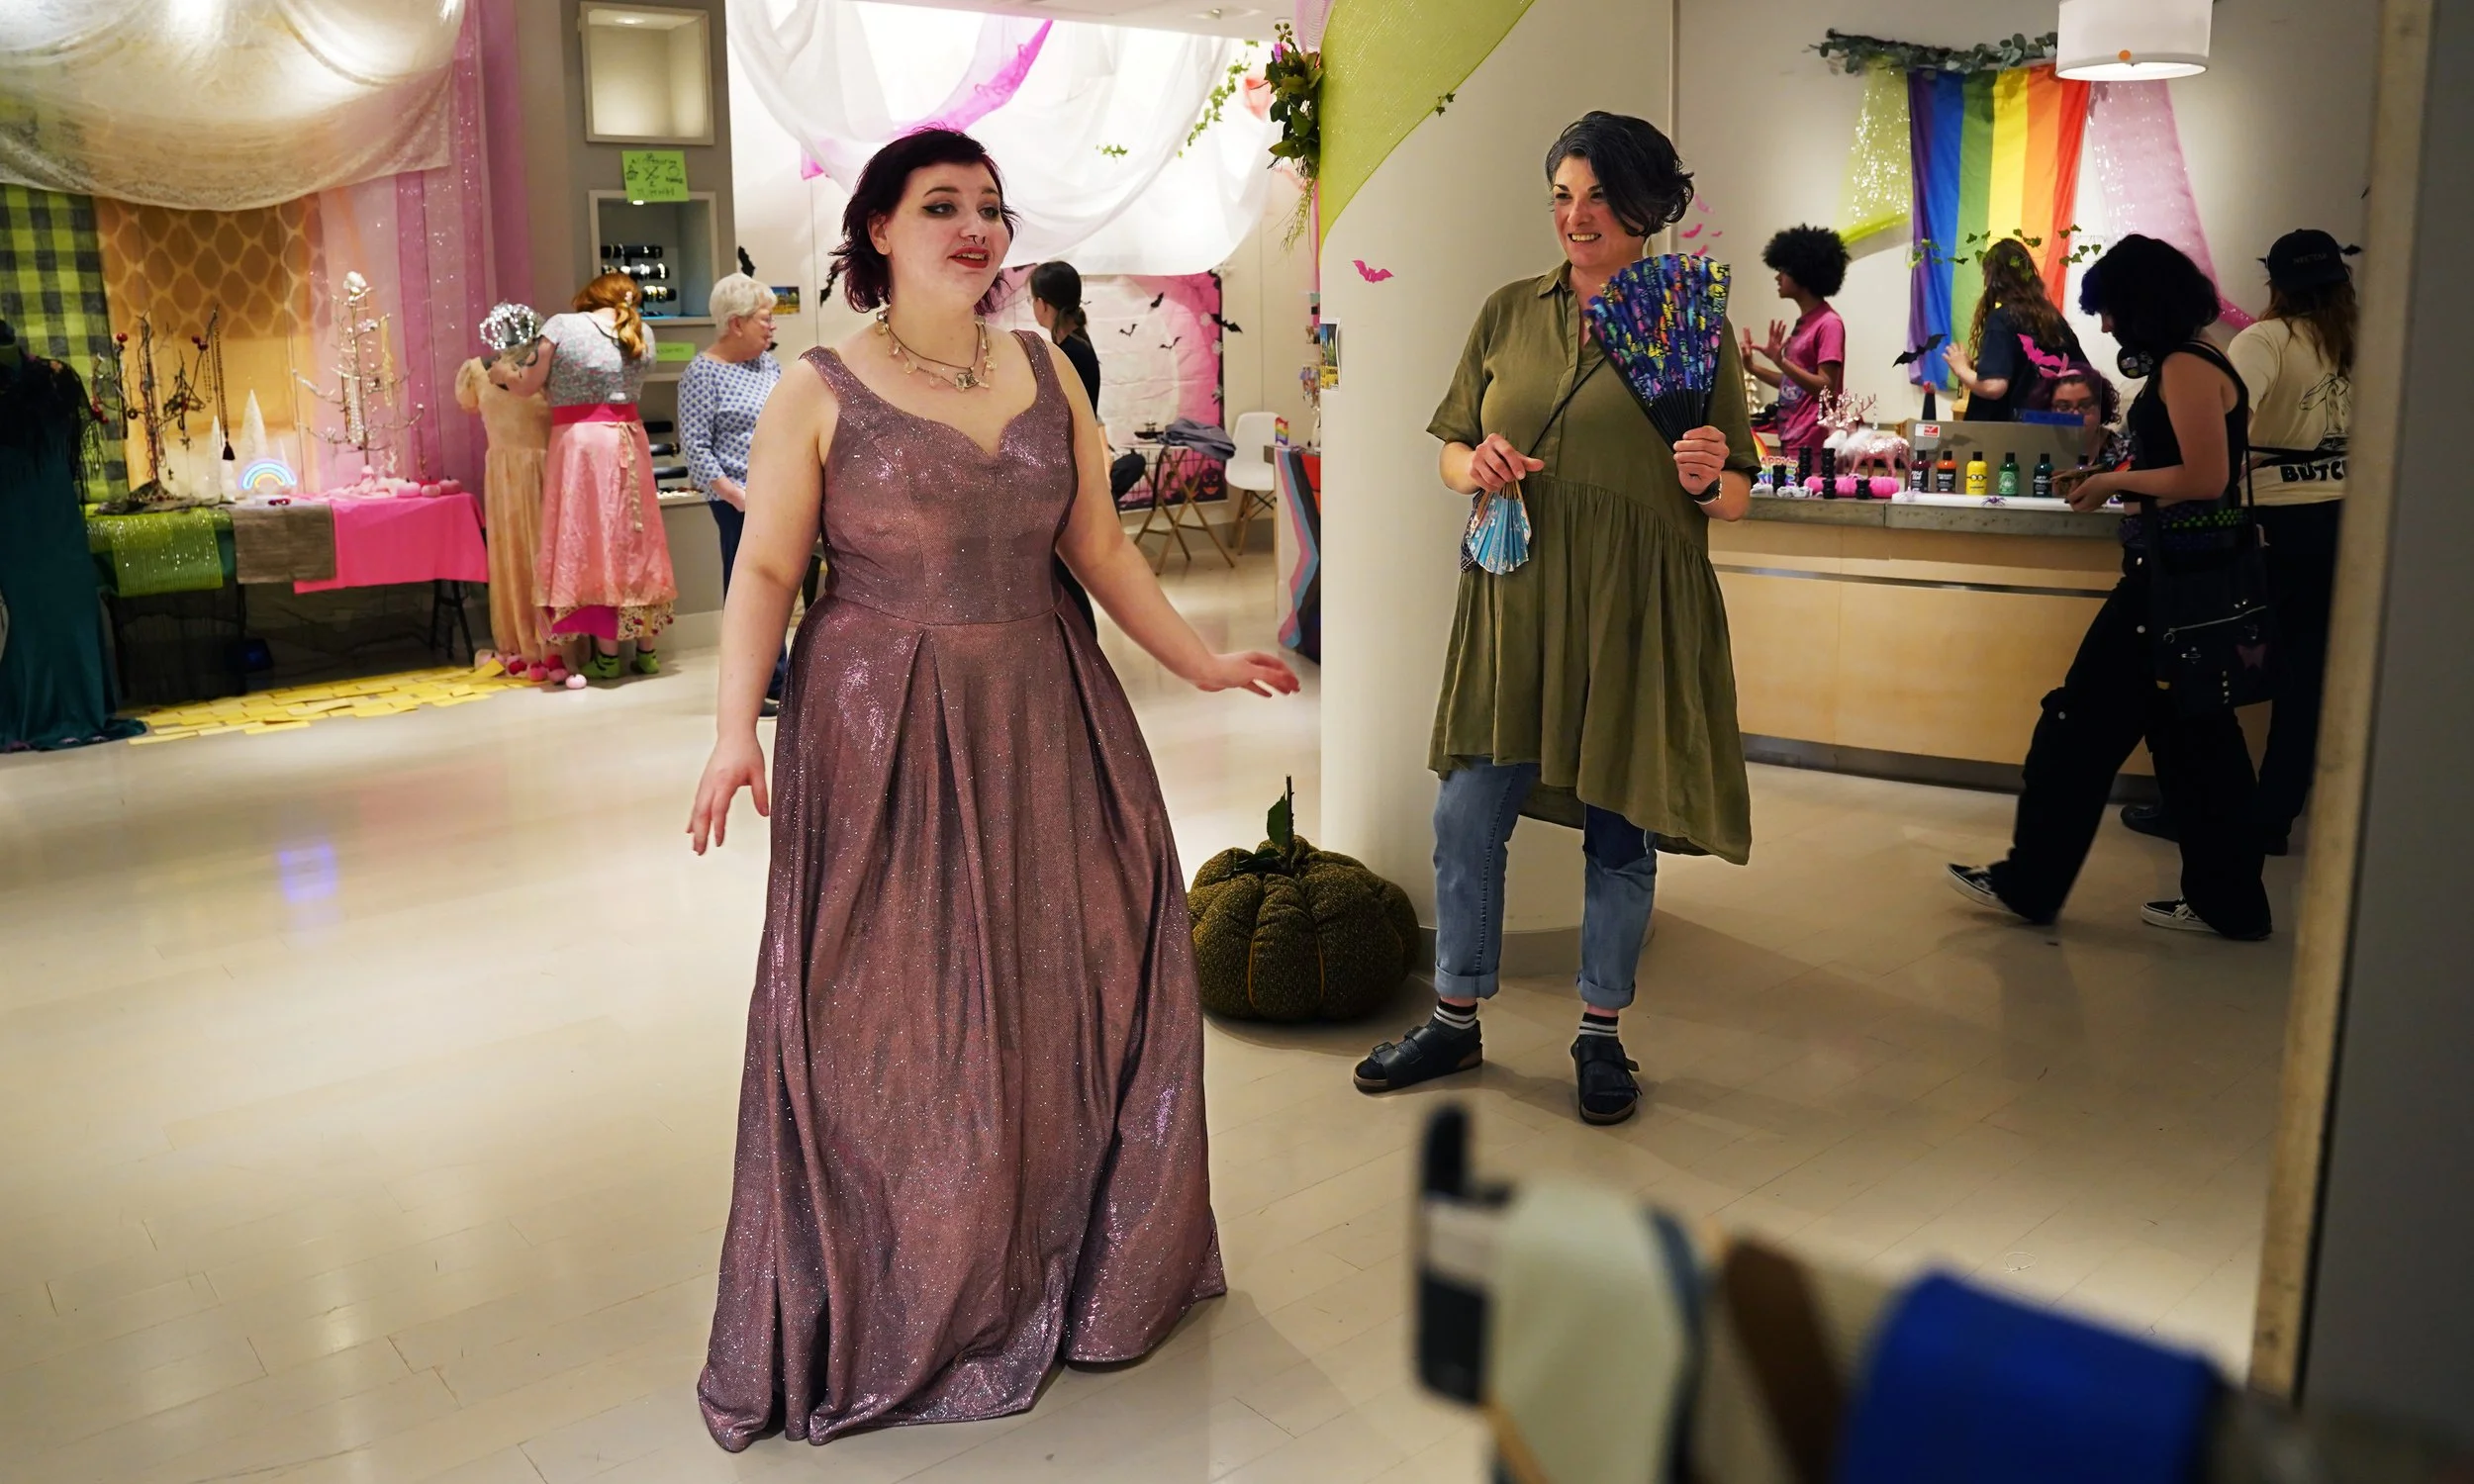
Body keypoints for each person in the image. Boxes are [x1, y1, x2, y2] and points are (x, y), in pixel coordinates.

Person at [685, 129, 1297, 1450]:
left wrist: (1197, 661)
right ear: (880, 231)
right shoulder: (818, 387)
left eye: (988, 206)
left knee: (1085, 977)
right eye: (940, 205)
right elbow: (768, 576)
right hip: (882, 719)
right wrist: (736, 728)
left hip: (1047, 703)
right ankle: (922, 1280)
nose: (973, 225)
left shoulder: (1040, 368)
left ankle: (1078, 1266)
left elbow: (1100, 546)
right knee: (897, 1013)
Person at [1351, 112, 1759, 1128]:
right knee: (1464, 814)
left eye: (1597, 198)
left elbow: (1739, 490)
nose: (1576, 218)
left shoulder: (1691, 325)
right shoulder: (1506, 312)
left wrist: (1710, 476)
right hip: (1516, 591)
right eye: (1561, 197)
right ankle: (1454, 1015)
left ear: (1648, 205)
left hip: (1635, 605)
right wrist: (1473, 465)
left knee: (1619, 828)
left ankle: (1599, 1033)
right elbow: (1449, 446)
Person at [1948, 234, 2271, 941]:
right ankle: (2232, 902)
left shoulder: (2186, 367)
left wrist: (2114, 481)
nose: (2105, 327)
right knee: (2198, 745)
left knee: (2075, 731)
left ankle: (2030, 882)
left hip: (2165, 590)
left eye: (2111, 312)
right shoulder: (2200, 358)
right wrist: (2115, 484)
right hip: (2189, 581)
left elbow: (2202, 477)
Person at [2121, 228, 2357, 857]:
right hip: (2342, 519)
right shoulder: (2364, 342)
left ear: (2275, 284)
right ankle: (2272, 817)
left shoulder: (2267, 339)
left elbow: (2227, 433)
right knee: (2305, 677)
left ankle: (2195, 804)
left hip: (2272, 522)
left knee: (2208, 657)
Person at [491, 272, 676, 681]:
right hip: (630, 439)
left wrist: (502, 373)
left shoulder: (561, 325)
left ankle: (607, 654)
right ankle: (646, 649)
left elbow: (528, 384)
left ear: (588, 297)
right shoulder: (640, 330)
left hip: (582, 446)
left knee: (592, 540)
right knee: (635, 539)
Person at [0, 329, 141, 750]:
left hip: (52, 519)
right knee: (21, 620)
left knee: (60, 613)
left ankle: (71, 707)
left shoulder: (55, 381)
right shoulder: (52, 382)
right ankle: (33, 711)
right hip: (14, 525)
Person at [678, 273, 788, 713]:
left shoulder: (771, 367)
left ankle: (780, 679)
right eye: (765, 318)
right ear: (736, 323)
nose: (772, 326)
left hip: (780, 496)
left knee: (780, 589)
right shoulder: (702, 374)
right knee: (749, 593)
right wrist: (736, 496)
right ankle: (754, 686)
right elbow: (696, 449)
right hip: (736, 503)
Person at [453, 353, 563, 683]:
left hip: (546, 474)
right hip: (504, 481)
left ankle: (556, 640)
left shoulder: (546, 371)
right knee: (513, 554)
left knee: (547, 554)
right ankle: (519, 640)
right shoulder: (475, 371)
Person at [1023, 261, 1100, 629]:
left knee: (1062, 571)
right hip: (1064, 471)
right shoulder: (1074, 347)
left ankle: (1084, 642)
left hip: (1067, 476)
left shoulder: (1069, 354)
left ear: (1043, 304)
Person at [1946, 236, 2084, 421]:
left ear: (1993, 277)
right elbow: (2084, 375)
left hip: (2010, 438)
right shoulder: (2053, 319)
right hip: (2052, 432)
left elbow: (1994, 387)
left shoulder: (2002, 319)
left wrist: (1961, 369)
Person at [1741, 225, 1848, 464]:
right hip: (1792, 438)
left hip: (1816, 444)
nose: (1778, 277)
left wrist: (1781, 361)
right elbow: (1794, 385)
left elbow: (1825, 388)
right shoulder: (1807, 322)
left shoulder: (1829, 324)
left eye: (1783, 270)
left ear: (1803, 273)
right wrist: (1753, 368)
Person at [2025, 361, 2124, 468]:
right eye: (2064, 407)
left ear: (2101, 407)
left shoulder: (2124, 453)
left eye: (2085, 405)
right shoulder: (2033, 451)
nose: (2076, 415)